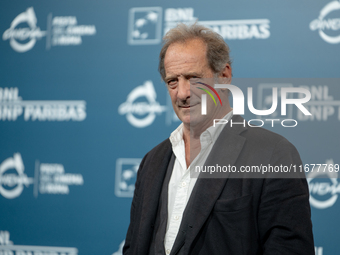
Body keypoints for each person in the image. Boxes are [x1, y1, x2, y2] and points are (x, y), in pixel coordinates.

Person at [123, 23, 314, 255]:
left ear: (224, 76)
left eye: (194, 78)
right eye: (173, 81)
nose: (183, 93)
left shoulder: (274, 154)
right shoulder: (152, 161)